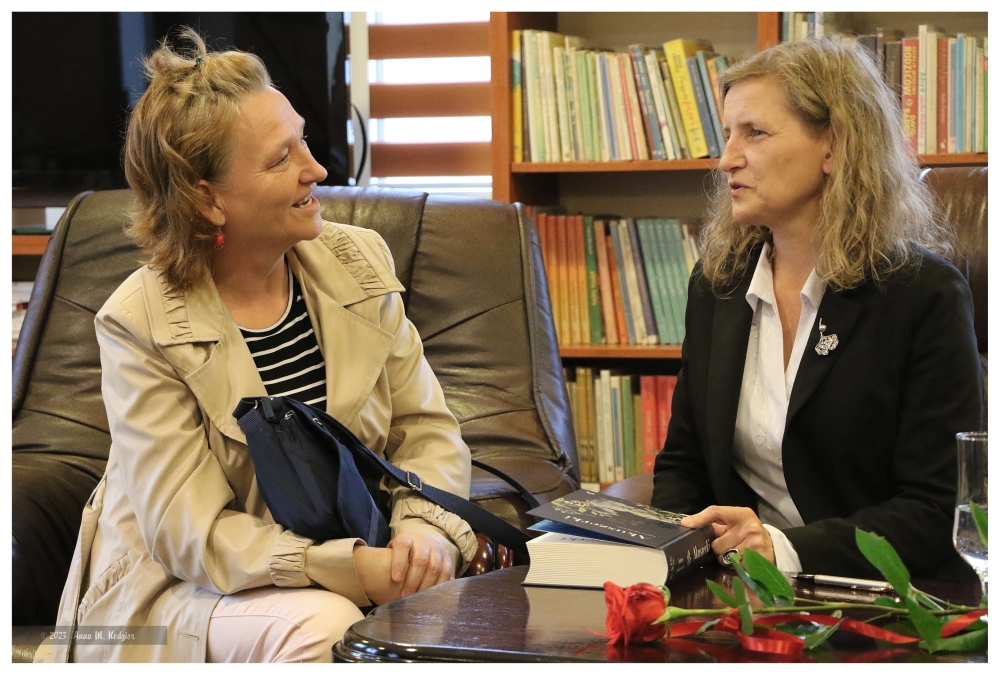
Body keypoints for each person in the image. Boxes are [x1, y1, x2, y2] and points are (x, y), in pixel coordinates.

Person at [36, 30, 478, 663]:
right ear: (206, 198)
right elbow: (192, 536)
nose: (316, 170)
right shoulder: (138, 323)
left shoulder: (360, 262)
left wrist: (424, 532)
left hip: (356, 561)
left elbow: (426, 430)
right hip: (177, 593)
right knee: (327, 625)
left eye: (303, 139)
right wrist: (351, 567)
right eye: (280, 159)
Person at [651, 39, 982, 581]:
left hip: (878, 598)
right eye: (727, 134)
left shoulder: (923, 295)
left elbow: (936, 509)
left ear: (833, 146)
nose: (727, 158)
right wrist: (665, 556)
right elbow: (684, 464)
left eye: (755, 133)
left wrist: (784, 549)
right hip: (740, 593)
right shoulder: (718, 284)